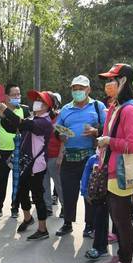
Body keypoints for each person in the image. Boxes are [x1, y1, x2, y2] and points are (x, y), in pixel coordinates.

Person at [97, 63, 133, 263]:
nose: (107, 85)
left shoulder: (130, 109)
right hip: (114, 170)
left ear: (123, 81)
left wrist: (108, 141)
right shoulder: (118, 107)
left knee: (122, 219)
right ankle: (121, 256)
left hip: (123, 173)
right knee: (116, 218)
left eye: (111, 80)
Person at [0, 90, 54, 240]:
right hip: (26, 162)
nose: (35, 102)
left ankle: (43, 229)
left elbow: (21, 123)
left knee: (37, 196)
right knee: (22, 190)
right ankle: (28, 218)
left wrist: (6, 110)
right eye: (35, 100)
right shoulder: (34, 117)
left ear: (47, 106)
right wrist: (4, 117)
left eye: (40, 100)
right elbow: (14, 127)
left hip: (36, 164)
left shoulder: (44, 122)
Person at [54, 75, 106, 237]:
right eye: (74, 89)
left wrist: (96, 132)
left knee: (90, 192)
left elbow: (108, 129)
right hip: (69, 157)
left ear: (88, 89)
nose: (77, 92)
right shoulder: (65, 109)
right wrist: (60, 136)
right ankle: (67, 223)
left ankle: (89, 225)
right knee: (69, 192)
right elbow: (58, 129)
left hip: (90, 157)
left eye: (81, 89)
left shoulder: (98, 106)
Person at [0, 84, 29, 219]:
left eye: (19, 94)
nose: (17, 97)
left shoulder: (24, 110)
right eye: (14, 95)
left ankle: (15, 207)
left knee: (19, 181)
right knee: (0, 180)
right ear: (6, 97)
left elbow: (28, 130)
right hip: (3, 152)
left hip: (20, 152)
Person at [44, 91, 63, 216]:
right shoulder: (40, 118)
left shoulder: (59, 118)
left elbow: (64, 138)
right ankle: (47, 207)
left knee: (59, 184)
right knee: (44, 184)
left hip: (55, 156)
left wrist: (61, 155)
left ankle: (65, 207)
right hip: (42, 157)